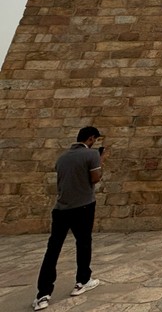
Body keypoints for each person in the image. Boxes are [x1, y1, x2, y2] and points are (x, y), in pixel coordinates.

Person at [33, 126, 107, 311]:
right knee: (83, 243)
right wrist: (101, 159)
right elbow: (95, 178)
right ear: (90, 139)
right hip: (83, 207)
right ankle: (82, 281)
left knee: (53, 250)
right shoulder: (91, 155)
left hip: (61, 209)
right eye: (94, 140)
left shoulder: (62, 158)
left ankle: (43, 294)